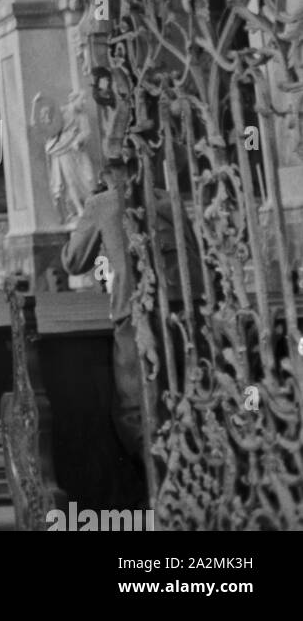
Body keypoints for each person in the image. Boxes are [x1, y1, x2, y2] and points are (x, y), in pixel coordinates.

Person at [61, 158, 202, 459]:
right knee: (187, 390)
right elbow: (192, 247)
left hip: (136, 307)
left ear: (107, 175)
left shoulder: (102, 203)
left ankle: (157, 476)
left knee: (133, 405)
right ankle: (192, 465)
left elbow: (73, 261)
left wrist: (85, 219)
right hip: (186, 305)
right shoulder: (166, 196)